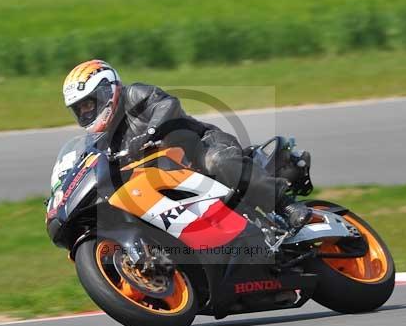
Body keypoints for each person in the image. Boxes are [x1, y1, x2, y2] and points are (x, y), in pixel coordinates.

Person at [61, 59, 312, 230]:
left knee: (218, 161)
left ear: (107, 90)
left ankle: (285, 205)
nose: (86, 111)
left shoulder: (134, 94)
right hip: (167, 178)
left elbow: (167, 105)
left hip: (199, 148)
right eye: (79, 109)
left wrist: (150, 133)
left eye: (89, 103)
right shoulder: (102, 141)